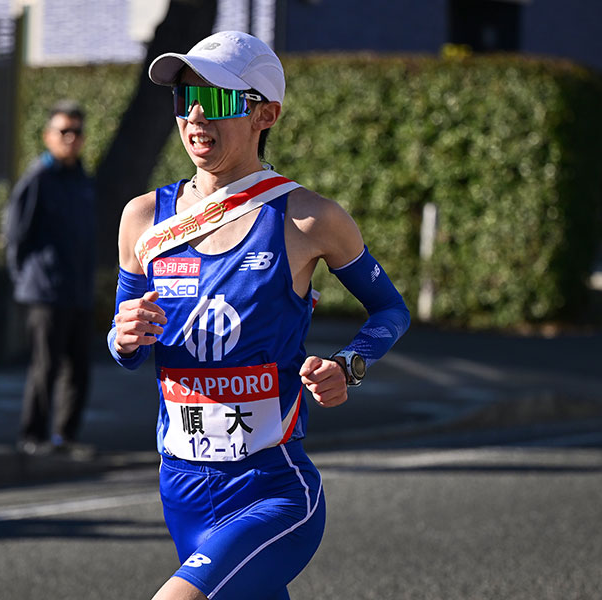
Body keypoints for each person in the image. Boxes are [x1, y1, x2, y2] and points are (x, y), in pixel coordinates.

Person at [108, 31, 410, 599]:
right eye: (184, 100)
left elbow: (390, 310)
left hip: (272, 488)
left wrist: (349, 366)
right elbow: (128, 348)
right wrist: (122, 339)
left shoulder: (308, 218)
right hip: (182, 486)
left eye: (218, 101)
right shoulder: (143, 219)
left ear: (264, 113)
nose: (195, 116)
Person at [4, 100, 96, 455]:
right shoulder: (37, 179)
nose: (70, 138)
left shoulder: (83, 180)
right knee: (46, 367)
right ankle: (33, 436)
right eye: (63, 132)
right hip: (45, 291)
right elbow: (16, 236)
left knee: (79, 369)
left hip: (79, 290)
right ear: (48, 136)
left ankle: (65, 436)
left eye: (76, 132)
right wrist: (25, 283)